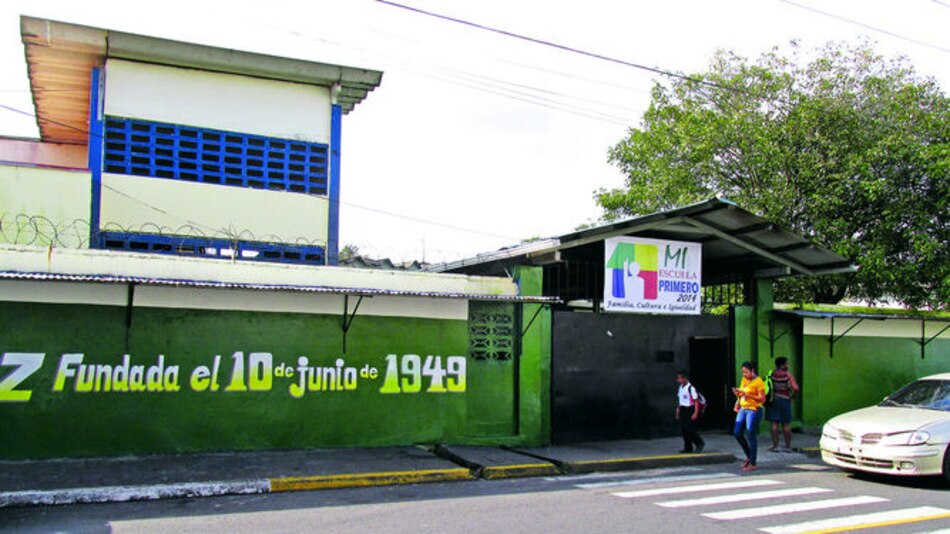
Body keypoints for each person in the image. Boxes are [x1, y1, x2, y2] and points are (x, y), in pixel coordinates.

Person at [732, 361, 766, 471]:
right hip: (743, 408)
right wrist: (737, 401)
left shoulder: (758, 382)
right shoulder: (744, 380)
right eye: (743, 372)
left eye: (746, 372)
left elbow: (762, 399)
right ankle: (749, 456)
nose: (744, 374)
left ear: (752, 371)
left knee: (751, 434)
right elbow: (742, 393)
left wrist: (748, 395)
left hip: (754, 409)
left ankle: (753, 463)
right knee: (737, 432)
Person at [766, 357, 800, 452]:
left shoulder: (772, 374)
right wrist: (793, 396)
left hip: (773, 399)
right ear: (782, 365)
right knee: (786, 424)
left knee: (774, 423)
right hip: (785, 400)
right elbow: (796, 388)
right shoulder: (788, 375)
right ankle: (787, 446)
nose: (788, 365)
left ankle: (775, 446)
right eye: (786, 364)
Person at [675, 370, 705, 454]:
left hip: (690, 409)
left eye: (679, 378)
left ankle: (699, 443)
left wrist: (695, 413)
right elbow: (680, 401)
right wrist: (678, 411)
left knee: (689, 428)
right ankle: (688, 447)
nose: (678, 380)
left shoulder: (691, 388)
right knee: (684, 430)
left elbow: (695, 401)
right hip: (683, 409)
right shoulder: (680, 388)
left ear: (684, 378)